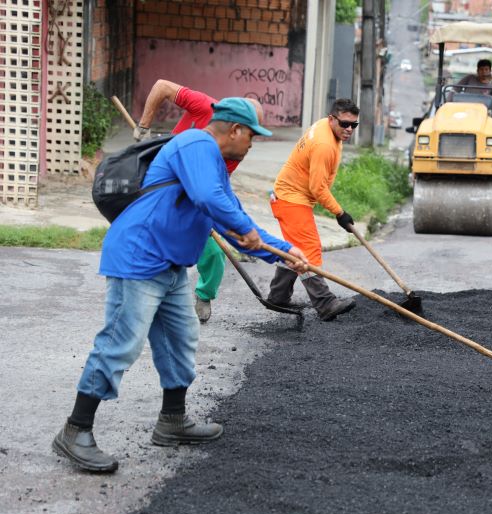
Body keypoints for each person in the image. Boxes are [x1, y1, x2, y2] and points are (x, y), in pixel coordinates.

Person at [52, 98, 308, 473]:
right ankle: (76, 430)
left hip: (169, 265)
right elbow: (211, 201)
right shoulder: (196, 145)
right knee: (120, 343)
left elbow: (227, 221)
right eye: (252, 135)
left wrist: (284, 253)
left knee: (181, 339)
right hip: (139, 258)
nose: (253, 144)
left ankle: (172, 422)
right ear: (235, 130)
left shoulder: (212, 166)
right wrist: (248, 230)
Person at [135, 79, 263, 324]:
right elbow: (161, 86)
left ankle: (203, 295)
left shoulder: (234, 151)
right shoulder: (205, 107)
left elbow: (215, 192)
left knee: (214, 254)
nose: (251, 141)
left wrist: (242, 230)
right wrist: (143, 127)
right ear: (237, 124)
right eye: (251, 131)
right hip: (164, 189)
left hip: (191, 200)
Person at [265, 98, 360, 321]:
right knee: (308, 250)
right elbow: (317, 188)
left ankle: (277, 296)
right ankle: (325, 303)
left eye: (353, 125)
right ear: (332, 119)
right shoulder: (324, 145)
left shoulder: (327, 129)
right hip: (291, 199)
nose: (349, 130)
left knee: (297, 248)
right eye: (344, 124)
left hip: (290, 196)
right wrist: (339, 212)